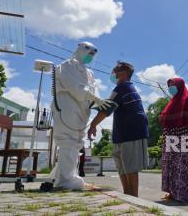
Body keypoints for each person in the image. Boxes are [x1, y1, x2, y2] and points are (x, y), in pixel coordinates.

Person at [50, 42, 113, 190]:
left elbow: (94, 90)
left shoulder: (89, 73)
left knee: (77, 143)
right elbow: (76, 88)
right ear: (79, 49)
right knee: (68, 141)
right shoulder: (67, 65)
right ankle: (66, 180)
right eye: (88, 51)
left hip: (83, 110)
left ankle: (65, 177)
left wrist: (100, 102)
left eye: (93, 53)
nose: (91, 55)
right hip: (67, 106)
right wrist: (96, 99)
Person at [88, 61, 149, 197]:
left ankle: (134, 197)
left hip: (132, 132)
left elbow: (107, 109)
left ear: (125, 74)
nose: (113, 74)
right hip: (121, 133)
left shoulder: (123, 87)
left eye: (116, 71)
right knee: (122, 166)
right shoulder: (124, 88)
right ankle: (128, 195)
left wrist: (93, 125)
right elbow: (108, 106)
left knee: (130, 166)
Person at [159, 78, 188, 203]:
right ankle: (172, 192)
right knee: (171, 164)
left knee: (183, 164)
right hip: (170, 136)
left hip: (183, 135)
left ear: (180, 86)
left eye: (173, 85)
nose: (171, 87)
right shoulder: (172, 101)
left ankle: (185, 194)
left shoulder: (186, 99)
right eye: (169, 85)